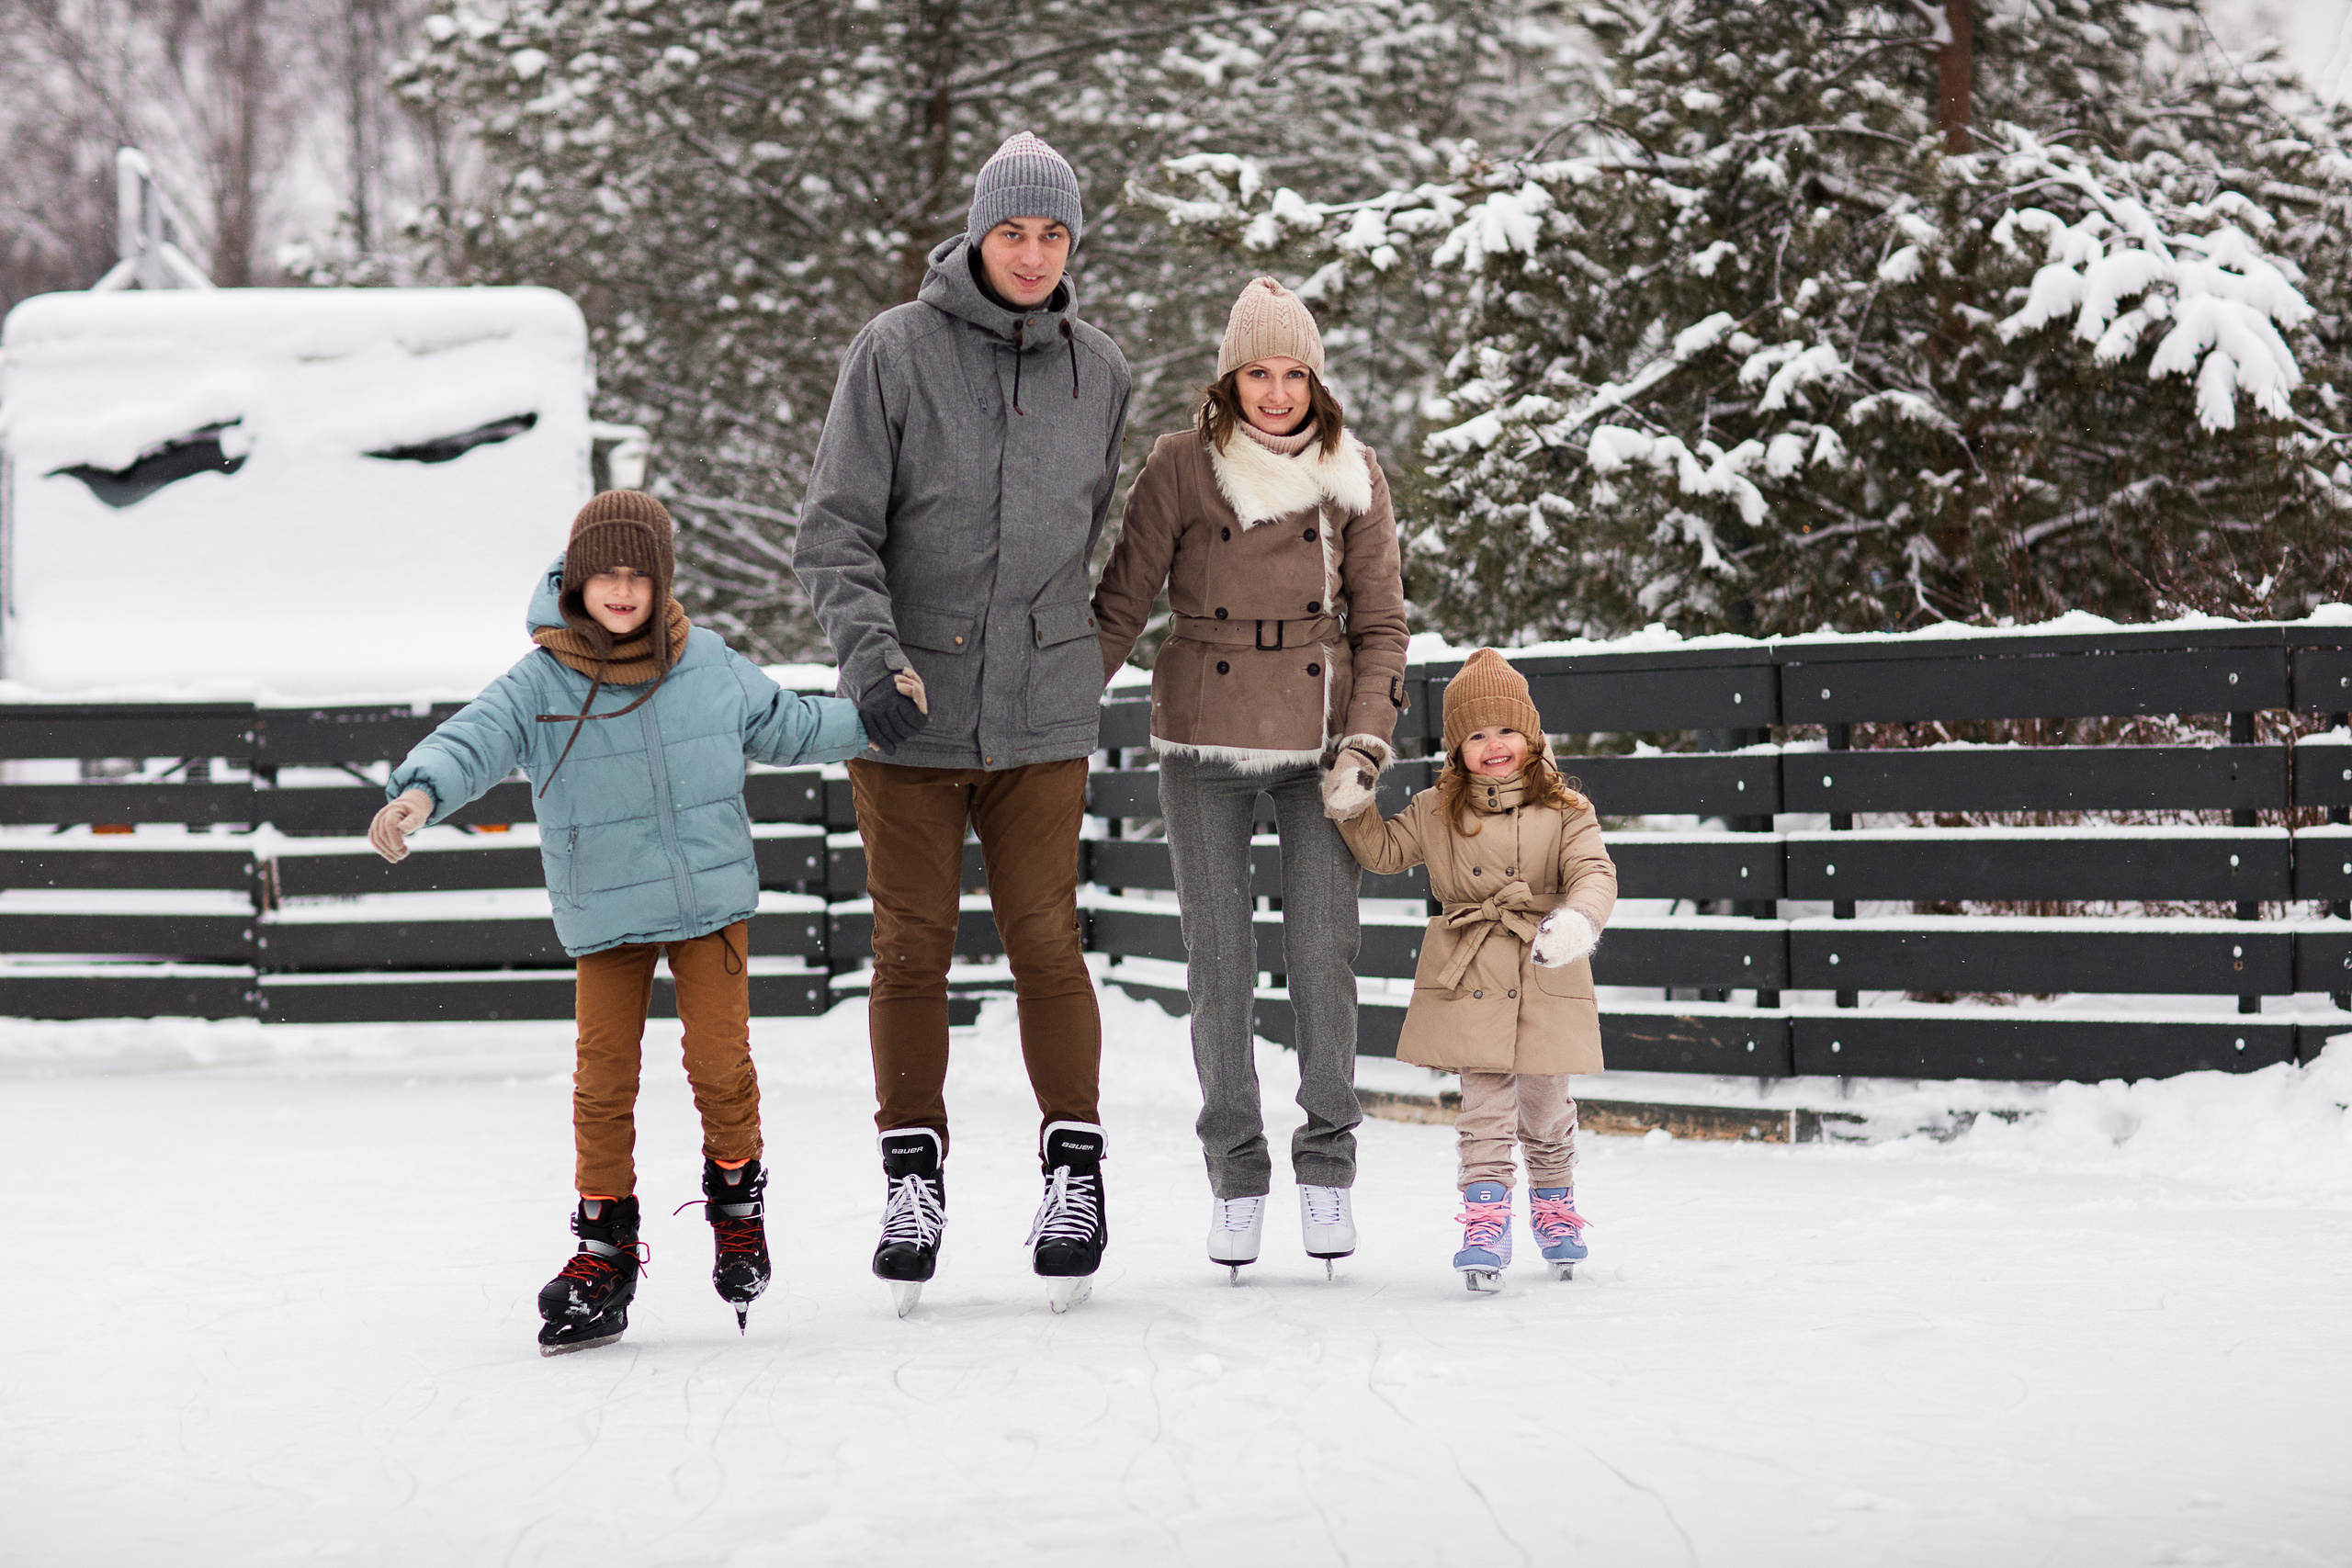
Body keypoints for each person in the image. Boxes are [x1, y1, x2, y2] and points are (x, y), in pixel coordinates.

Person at [368, 491, 869, 1353]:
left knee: (720, 1066)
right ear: (576, 580)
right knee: (603, 1083)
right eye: (607, 573)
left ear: (662, 578)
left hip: (708, 907)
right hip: (607, 913)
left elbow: (788, 723)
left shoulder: (707, 662)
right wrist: (420, 792)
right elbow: (474, 737)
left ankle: (738, 1205)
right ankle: (604, 1250)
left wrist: (878, 716)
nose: (624, 589)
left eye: (640, 573)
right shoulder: (540, 679)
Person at [793, 130, 1132, 1314]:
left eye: (1053, 234)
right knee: (910, 950)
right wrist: (871, 662)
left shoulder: (1103, 370)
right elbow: (834, 531)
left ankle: (1074, 1173)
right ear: (977, 235)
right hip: (911, 711)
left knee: (1049, 944)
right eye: (1013, 231)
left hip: (1041, 719)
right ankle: (911, 1178)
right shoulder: (892, 353)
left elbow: (1092, 548)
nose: (1033, 253)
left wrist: (1081, 663)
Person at [1091, 276, 1410, 1280]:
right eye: (1256, 373)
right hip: (1202, 734)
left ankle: (1328, 1161)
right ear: (1228, 380)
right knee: (1218, 963)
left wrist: (1364, 744)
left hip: (1320, 736)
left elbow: (1382, 628)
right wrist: (1053, 717)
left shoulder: (1352, 472)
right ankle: (1235, 1177)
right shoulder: (1183, 466)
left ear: (1317, 379)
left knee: (1324, 951)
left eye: (1293, 373)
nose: (1276, 393)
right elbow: (1119, 601)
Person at [1331, 648, 1618, 1292]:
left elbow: (1594, 872)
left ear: (1532, 735)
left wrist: (1577, 922)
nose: (1493, 745)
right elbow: (1383, 850)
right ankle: (1485, 1220)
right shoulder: (1437, 809)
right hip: (1473, 974)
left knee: (1545, 1108)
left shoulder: (1568, 808)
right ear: (1457, 747)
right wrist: (1352, 803)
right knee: (1483, 1108)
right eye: (1476, 734)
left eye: (1506, 730)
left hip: (1545, 966)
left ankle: (1553, 1204)